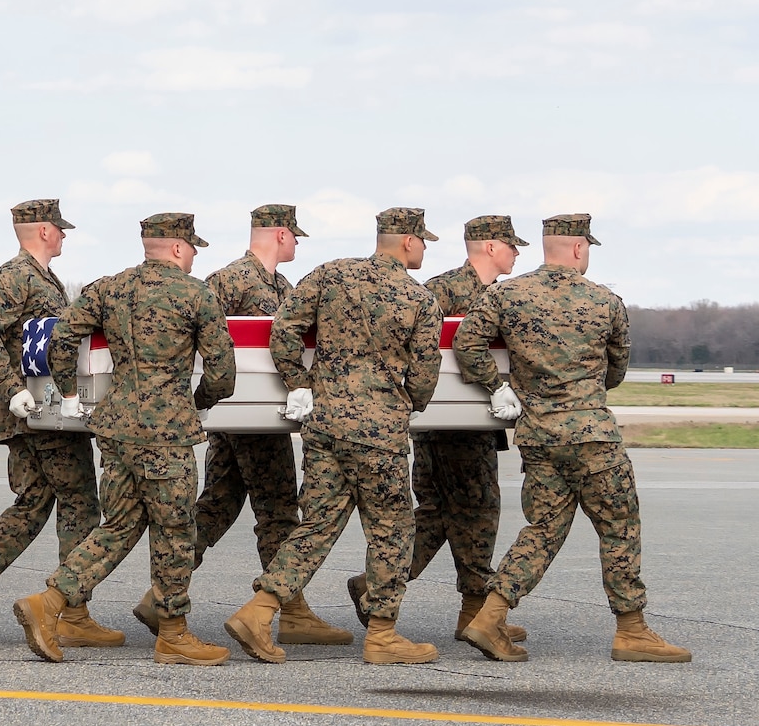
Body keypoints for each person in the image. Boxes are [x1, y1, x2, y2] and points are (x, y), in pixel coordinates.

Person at [455, 215, 690, 664]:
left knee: (542, 531)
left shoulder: (506, 293)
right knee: (618, 527)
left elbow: (468, 345)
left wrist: (498, 386)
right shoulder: (605, 301)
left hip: (539, 436)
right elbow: (616, 371)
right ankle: (632, 630)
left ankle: (490, 616)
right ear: (580, 249)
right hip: (592, 438)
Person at [11, 213, 236, 666]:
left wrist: (71, 393)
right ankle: (173, 633)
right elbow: (222, 372)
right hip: (165, 432)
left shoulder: (108, 288)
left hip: (114, 431)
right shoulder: (196, 294)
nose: (194, 258)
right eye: (193, 248)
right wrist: (198, 401)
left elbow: (60, 339)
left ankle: (49, 603)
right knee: (175, 530)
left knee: (119, 526)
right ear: (177, 248)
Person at [225, 207, 443, 665]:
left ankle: (259, 610)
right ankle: (382, 635)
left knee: (317, 526)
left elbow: (284, 332)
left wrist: (299, 382)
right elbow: (424, 378)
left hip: (324, 428)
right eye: (423, 240)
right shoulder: (419, 299)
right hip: (379, 434)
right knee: (392, 530)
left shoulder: (329, 275)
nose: (423, 249)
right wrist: (405, 403)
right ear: (407, 241)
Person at [189, 204, 352, 647]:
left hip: (256, 415)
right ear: (280, 235)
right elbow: (199, 339)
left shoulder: (282, 286)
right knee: (279, 509)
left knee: (217, 507)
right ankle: (293, 612)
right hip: (248, 419)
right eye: (295, 236)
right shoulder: (228, 280)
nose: (297, 243)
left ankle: (160, 594)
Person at [0, 199, 108, 645]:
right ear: (42, 230)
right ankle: (72, 614)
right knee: (79, 502)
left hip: (42, 411)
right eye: (59, 228)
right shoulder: (14, 275)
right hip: (37, 415)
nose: (63, 235)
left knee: (32, 505)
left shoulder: (41, 277)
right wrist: (11, 388)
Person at [375, 214, 529, 641]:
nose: (517, 253)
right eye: (511, 245)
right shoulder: (444, 290)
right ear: (491, 247)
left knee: (448, 516)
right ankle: (472, 611)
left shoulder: (491, 293)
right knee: (476, 513)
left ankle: (472, 610)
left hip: (470, 425)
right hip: (447, 428)